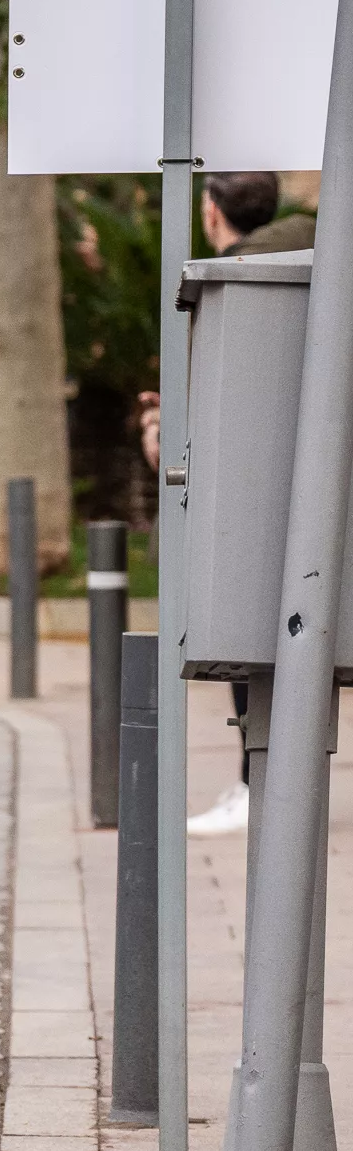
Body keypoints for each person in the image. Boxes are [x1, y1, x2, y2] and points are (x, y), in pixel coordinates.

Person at [161, 173, 318, 837]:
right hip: (313, 482)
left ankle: (259, 788)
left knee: (245, 633)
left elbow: (215, 403)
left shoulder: (235, 280)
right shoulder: (317, 253)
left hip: (251, 491)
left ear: (210, 208)